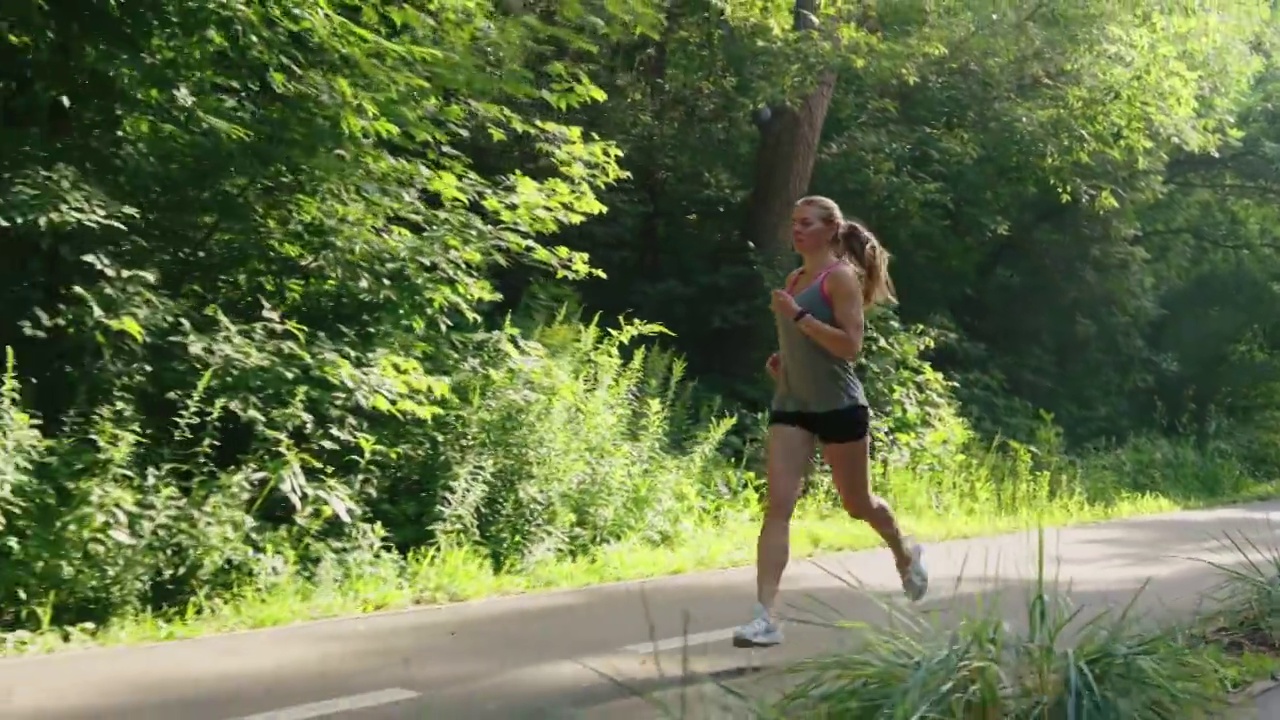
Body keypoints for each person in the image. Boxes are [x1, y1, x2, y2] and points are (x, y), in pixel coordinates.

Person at [732, 195, 928, 649]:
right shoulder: (794, 277)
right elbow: (808, 345)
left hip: (839, 405)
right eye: (793, 221)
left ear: (829, 230)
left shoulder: (839, 278)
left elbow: (850, 346)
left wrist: (798, 317)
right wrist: (786, 362)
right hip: (792, 404)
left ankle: (903, 552)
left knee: (857, 504)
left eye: (806, 223)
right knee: (778, 505)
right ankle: (765, 617)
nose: (796, 230)